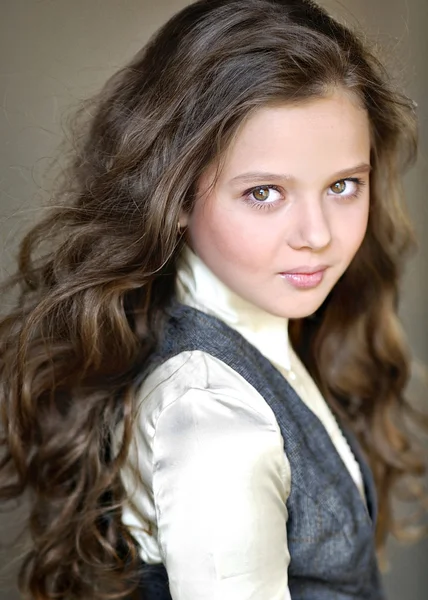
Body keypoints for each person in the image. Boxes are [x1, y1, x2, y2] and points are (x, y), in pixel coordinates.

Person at [0, 0, 426, 598]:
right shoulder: (215, 424)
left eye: (343, 185)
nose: (318, 234)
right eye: (263, 193)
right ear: (173, 196)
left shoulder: (262, 330)